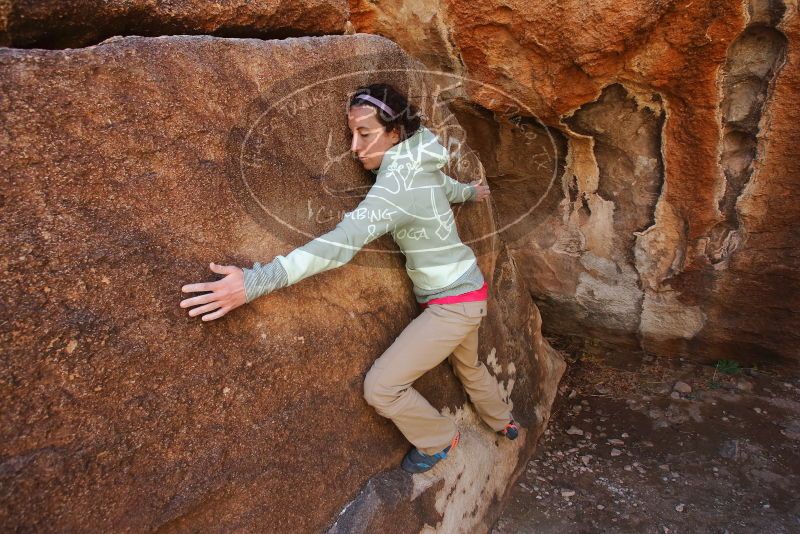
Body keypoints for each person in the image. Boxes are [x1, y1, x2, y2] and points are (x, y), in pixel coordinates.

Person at [180, 83, 519, 474]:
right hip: (469, 289)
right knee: (470, 367)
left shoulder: (394, 187)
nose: (355, 148)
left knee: (382, 389)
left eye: (365, 134)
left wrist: (256, 281)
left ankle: (439, 438)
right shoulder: (417, 160)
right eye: (351, 135)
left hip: (452, 307)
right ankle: (502, 420)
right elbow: (444, 187)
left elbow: (339, 244)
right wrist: (469, 192)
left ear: (395, 133)